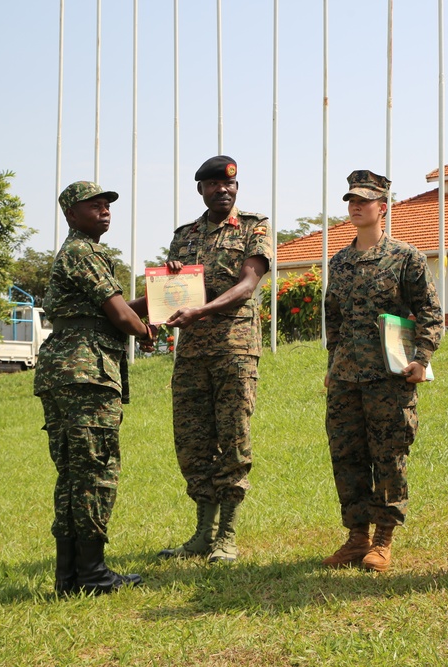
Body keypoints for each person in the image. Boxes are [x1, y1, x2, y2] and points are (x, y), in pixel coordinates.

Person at [34, 181, 155, 595]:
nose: (104, 210)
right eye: (94, 205)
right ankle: (92, 574)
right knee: (95, 472)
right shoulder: (84, 252)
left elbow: (111, 310)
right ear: (70, 213)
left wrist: (160, 293)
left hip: (67, 371)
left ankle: (70, 578)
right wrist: (145, 333)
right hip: (86, 374)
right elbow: (122, 317)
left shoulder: (78, 254)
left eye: (107, 205)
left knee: (73, 474)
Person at [321, 170, 443, 573]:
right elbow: (333, 320)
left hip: (389, 378)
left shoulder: (406, 258)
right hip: (345, 380)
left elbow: (429, 312)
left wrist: (421, 359)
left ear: (383, 207)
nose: (356, 205)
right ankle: (356, 537)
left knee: (389, 457)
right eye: (351, 200)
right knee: (347, 458)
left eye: (365, 200)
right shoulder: (339, 262)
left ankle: (383, 539)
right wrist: (331, 365)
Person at [156, 155, 272, 564]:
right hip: (191, 352)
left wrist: (201, 311)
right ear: (201, 190)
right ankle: (203, 533)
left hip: (234, 349)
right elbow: (172, 292)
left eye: (231, 185)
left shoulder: (255, 227)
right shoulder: (184, 235)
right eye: (215, 185)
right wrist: (171, 277)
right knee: (191, 440)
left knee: (233, 436)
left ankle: (227, 535)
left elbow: (248, 283)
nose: (224, 190)